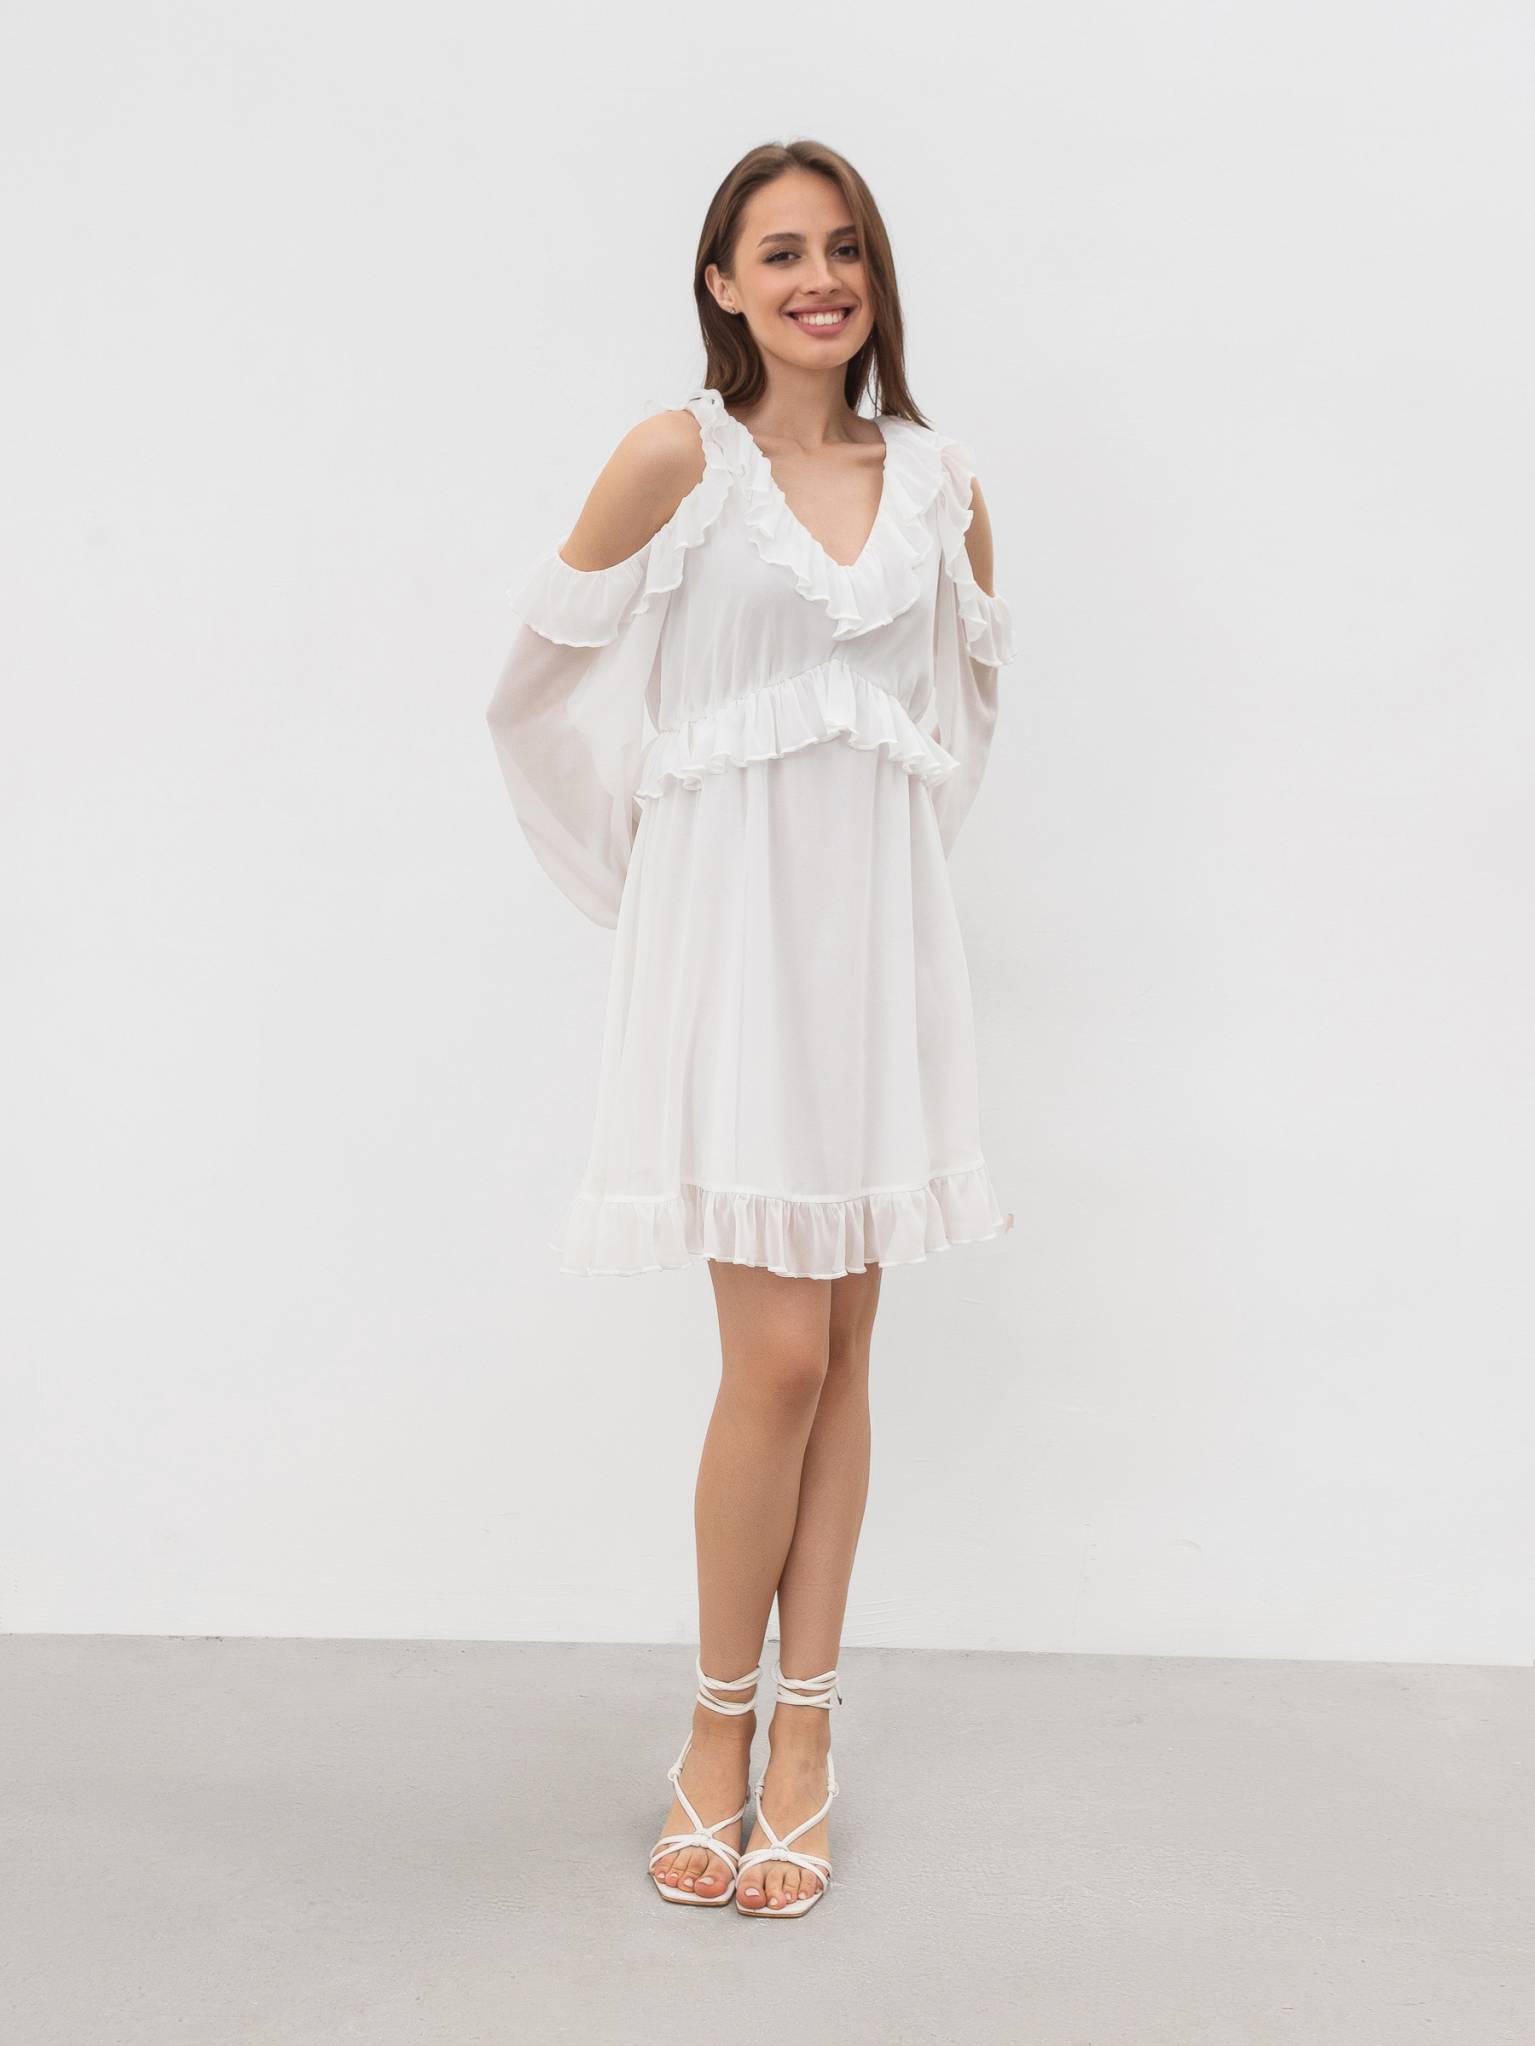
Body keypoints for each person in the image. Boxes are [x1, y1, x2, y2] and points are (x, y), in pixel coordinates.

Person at [485, 138, 1016, 1918]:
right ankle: (716, 1726)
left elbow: (960, 721)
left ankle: (806, 1737)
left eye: (843, 248)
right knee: (775, 1357)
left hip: (872, 953)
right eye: (780, 251)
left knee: (846, 1351)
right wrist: (660, 888)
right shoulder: (678, 462)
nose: (819, 279)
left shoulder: (941, 483)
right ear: (721, 282)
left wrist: (888, 902)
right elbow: (534, 694)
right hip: (732, 956)